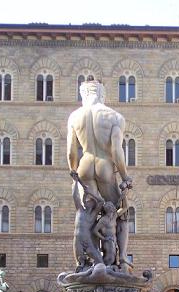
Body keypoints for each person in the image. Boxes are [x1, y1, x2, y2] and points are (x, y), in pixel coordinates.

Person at [67, 78, 133, 272]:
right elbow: (117, 152)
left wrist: (73, 170)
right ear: (102, 93)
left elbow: (71, 152)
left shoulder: (75, 116)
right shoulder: (114, 117)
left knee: (86, 216)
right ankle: (120, 259)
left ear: (83, 94)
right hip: (104, 165)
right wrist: (125, 177)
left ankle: (88, 263)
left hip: (84, 166)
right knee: (120, 214)